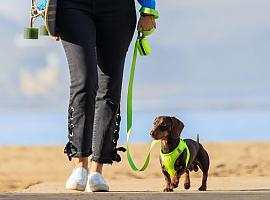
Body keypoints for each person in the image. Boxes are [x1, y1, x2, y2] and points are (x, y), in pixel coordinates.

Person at [54, 0, 158, 192]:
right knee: (84, 80)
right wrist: (45, 8)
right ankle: (80, 166)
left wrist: (149, 9)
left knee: (110, 86)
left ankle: (96, 171)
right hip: (72, 7)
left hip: (118, 9)